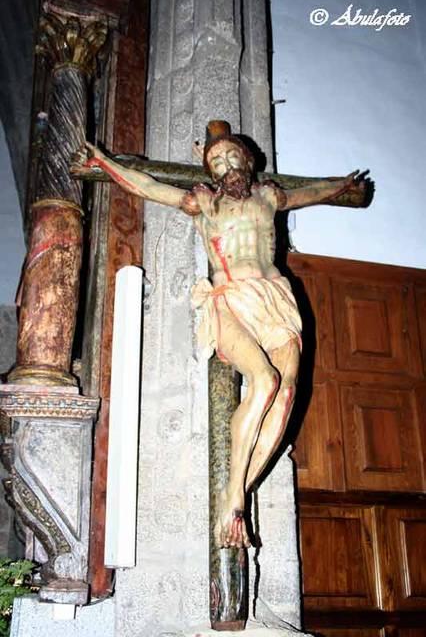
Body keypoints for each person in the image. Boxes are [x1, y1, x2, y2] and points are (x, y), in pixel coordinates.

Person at [74, 120, 366, 548]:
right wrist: (106, 163)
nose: (227, 168)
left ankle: (235, 496)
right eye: (217, 163)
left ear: (247, 161)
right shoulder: (205, 203)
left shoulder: (270, 196)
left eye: (232, 158)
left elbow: (314, 192)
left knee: (286, 394)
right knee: (264, 382)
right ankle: (236, 499)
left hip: (276, 300)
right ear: (210, 172)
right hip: (230, 298)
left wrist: (342, 185)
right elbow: (149, 187)